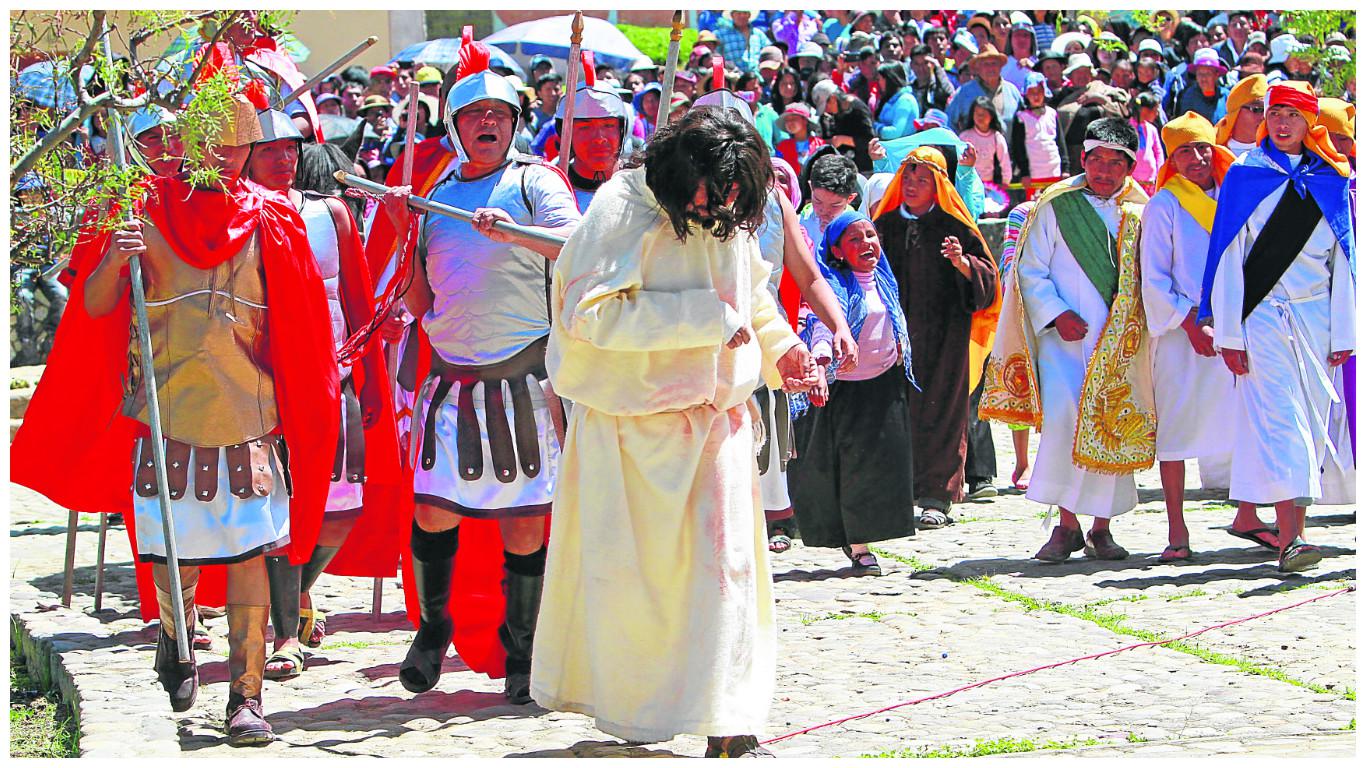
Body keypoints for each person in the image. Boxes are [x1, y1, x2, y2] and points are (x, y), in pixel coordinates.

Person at [14, 93, 340, 745]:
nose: (220, 155)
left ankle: (246, 697)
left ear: (248, 147)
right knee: (172, 557)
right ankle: (176, 636)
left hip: (250, 416)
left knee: (251, 558)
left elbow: (302, 329)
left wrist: (304, 411)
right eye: (208, 142)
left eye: (233, 142)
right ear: (187, 145)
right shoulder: (140, 208)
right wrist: (115, 255)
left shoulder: (274, 217)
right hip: (167, 417)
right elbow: (98, 305)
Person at [534, 106, 817, 758]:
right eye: (715, 196)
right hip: (631, 438)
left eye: (737, 199)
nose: (724, 208)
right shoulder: (620, 211)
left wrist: (784, 351)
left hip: (716, 427)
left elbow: (749, 298)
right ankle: (644, 709)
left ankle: (731, 722)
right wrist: (702, 320)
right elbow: (588, 317)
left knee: (728, 574)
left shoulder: (725, 206)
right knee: (637, 592)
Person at [377, 43, 581, 704]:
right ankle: (433, 631)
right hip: (452, 383)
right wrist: (405, 234)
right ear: (456, 126)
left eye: (498, 113)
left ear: (514, 122)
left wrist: (514, 234)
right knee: (433, 513)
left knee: (524, 523)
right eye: (474, 115)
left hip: (522, 383)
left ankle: (522, 653)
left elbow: (576, 249)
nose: (487, 122)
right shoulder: (435, 192)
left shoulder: (536, 182)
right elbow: (419, 299)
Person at [247, 112, 402, 679]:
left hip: (334, 374)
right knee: (280, 509)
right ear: (247, 153)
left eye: (292, 148)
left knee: (343, 508)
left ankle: (298, 592)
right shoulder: (239, 214)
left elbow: (357, 299)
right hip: (266, 379)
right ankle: (285, 634)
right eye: (270, 149)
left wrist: (371, 378)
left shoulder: (331, 211)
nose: (285, 158)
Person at [980, 118, 1153, 563]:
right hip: (1063, 339)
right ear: (1083, 159)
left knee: (1109, 424)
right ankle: (1066, 523)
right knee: (1064, 421)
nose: (1105, 170)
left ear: (1130, 166)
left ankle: (1101, 528)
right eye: (1097, 160)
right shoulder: (1056, 206)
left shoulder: (1139, 210)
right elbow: (1031, 268)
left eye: (1117, 162)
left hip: (1118, 344)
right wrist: (1057, 314)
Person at [1201, 82, 1355, 573]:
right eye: (1275, 114)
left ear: (1310, 122)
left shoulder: (1331, 179)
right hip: (1261, 315)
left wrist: (1345, 333)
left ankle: (1295, 533)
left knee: (1307, 423)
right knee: (1283, 420)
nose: (1283, 123)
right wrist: (1228, 333)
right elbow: (1228, 257)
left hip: (1315, 317)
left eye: (1293, 114)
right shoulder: (1245, 176)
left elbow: (1346, 262)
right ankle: (1293, 538)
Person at [1138, 111, 1244, 562]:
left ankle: (1251, 514)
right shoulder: (1163, 204)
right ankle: (1176, 527)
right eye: (1184, 151)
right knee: (1176, 431)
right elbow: (1154, 280)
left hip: (1234, 326)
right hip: (1183, 335)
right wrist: (1188, 323)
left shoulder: (1235, 196)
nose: (1196, 158)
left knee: (1246, 423)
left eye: (1202, 147)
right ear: (1172, 159)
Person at [874, 145, 1000, 523]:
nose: (912, 185)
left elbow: (989, 283)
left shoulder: (955, 227)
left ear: (939, 185)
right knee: (893, 414)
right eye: (908, 177)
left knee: (944, 413)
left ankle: (937, 497)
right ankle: (895, 493)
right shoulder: (884, 227)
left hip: (945, 338)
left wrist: (962, 263)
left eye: (922, 179)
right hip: (894, 338)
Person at [789, 211, 917, 574]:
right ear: (838, 251)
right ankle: (859, 546)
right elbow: (821, 324)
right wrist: (822, 356)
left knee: (881, 465)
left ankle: (869, 531)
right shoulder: (832, 284)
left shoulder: (886, 282)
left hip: (883, 386)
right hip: (844, 390)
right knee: (851, 467)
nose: (867, 245)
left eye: (871, 236)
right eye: (855, 240)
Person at [946, 43, 1024, 140]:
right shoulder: (964, 92)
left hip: (1009, 153)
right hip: (974, 152)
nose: (990, 68)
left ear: (1000, 67)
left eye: (994, 63)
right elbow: (948, 122)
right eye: (986, 64)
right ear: (978, 68)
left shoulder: (1012, 92)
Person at [1011, 72, 1068, 193]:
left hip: (1054, 170)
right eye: (1032, 92)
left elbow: (1060, 142)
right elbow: (1018, 147)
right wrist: (1024, 172)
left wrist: (1065, 168)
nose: (1036, 96)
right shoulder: (1021, 118)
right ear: (1026, 94)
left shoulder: (1052, 113)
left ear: (1045, 92)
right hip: (1034, 173)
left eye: (1039, 91)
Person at [798, 150, 859, 247]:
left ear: (850, 199)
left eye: (835, 205)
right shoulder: (798, 223)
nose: (825, 211)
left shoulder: (858, 229)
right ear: (811, 187)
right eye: (818, 201)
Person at [958, 96, 1012, 188]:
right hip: (968, 184)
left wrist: (1005, 181)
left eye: (983, 114)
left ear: (991, 115)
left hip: (988, 186)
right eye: (977, 113)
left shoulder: (996, 137)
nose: (980, 117)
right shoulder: (965, 136)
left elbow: (1005, 161)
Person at [1169, 48, 1229, 123]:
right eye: (1200, 74)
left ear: (1216, 75)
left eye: (1208, 73)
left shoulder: (1227, 96)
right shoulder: (1188, 97)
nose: (1203, 78)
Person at [1214, 74, 1267, 157]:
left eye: (1267, 110)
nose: (1264, 117)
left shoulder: (1279, 150)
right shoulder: (1212, 152)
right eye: (1257, 109)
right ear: (1236, 113)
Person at [875, 61, 920, 140]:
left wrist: (875, 127)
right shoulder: (890, 99)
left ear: (889, 79)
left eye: (880, 79)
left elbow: (895, 133)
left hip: (903, 150)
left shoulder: (905, 101)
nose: (879, 82)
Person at [775, 102, 826, 172]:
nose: (790, 123)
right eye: (787, 120)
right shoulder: (782, 147)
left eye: (793, 118)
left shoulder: (820, 144)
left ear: (805, 120)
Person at [908, 44, 956, 114]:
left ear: (932, 64)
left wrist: (938, 68)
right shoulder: (909, 89)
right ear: (911, 65)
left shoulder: (939, 86)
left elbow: (949, 93)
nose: (921, 68)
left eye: (925, 63)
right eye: (917, 64)